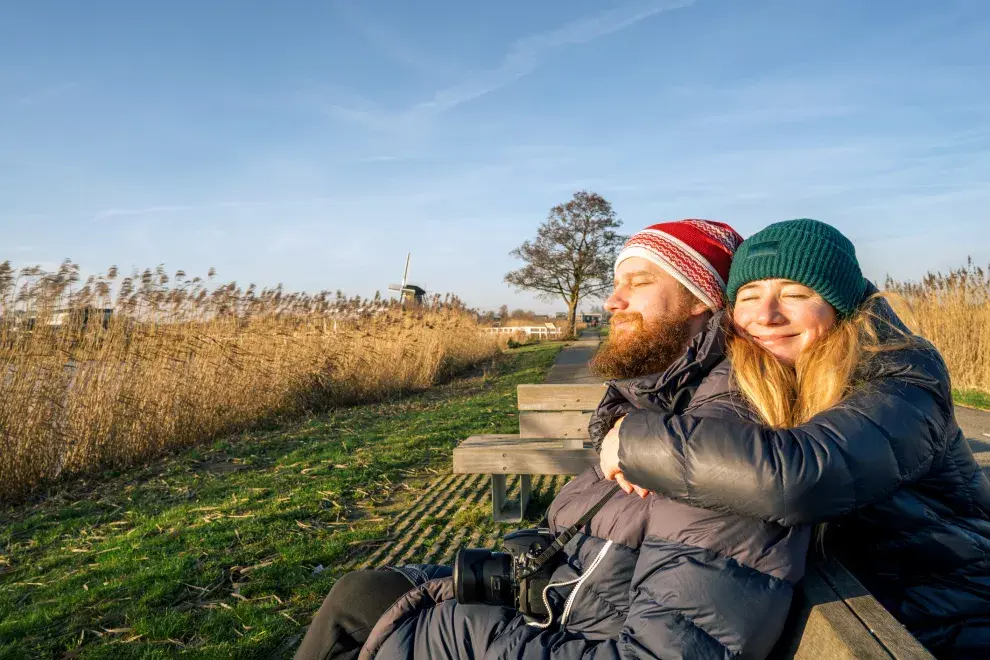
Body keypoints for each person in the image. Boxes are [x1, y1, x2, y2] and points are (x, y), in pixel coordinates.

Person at [296, 219, 811, 660]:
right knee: (361, 594)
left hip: (572, 632)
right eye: (615, 283)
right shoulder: (657, 411)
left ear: (703, 301)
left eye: (638, 282)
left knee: (372, 618)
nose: (612, 301)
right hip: (557, 607)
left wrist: (444, 625)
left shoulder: (714, 443)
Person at [599, 218, 990, 659]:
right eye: (749, 296)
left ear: (839, 306)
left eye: (796, 294)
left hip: (951, 617)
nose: (766, 315)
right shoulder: (772, 377)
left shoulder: (900, 375)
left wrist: (635, 441)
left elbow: (801, 476)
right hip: (866, 605)